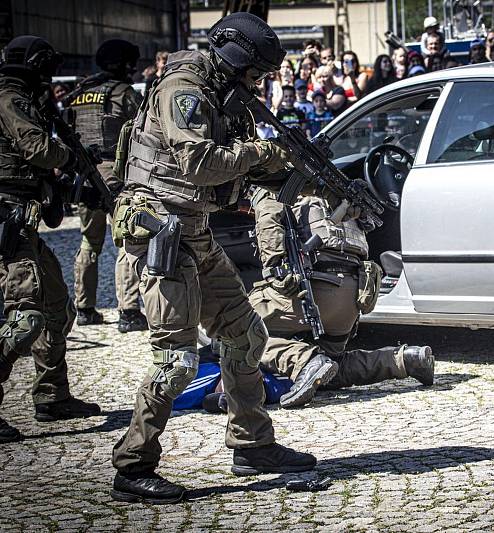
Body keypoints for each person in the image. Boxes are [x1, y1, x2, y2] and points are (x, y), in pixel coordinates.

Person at [110, 12, 317, 504]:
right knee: (176, 360)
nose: (260, 84)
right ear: (237, 60)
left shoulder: (228, 99)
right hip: (161, 231)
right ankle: (132, 465)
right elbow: (200, 163)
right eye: (257, 73)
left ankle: (252, 445)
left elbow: (235, 180)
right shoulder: (184, 88)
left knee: (247, 334)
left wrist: (293, 172)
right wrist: (260, 153)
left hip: (196, 233)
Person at [246, 187, 436, 409]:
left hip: (313, 288)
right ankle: (406, 360)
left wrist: (276, 271)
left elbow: (269, 223)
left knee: (232, 331)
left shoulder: (274, 186)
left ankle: (304, 360)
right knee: (332, 367)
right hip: (351, 297)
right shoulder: (333, 187)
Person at [0, 35, 101, 443]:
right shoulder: (9, 98)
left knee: (57, 305)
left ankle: (52, 394)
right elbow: (37, 149)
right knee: (25, 317)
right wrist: (73, 158)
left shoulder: (28, 98)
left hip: (24, 218)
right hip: (8, 217)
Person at [64, 39, 147, 332]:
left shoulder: (79, 94)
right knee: (129, 239)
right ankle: (129, 312)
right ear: (124, 64)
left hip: (83, 176)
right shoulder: (123, 94)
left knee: (89, 241)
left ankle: (84, 308)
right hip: (115, 174)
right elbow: (146, 131)